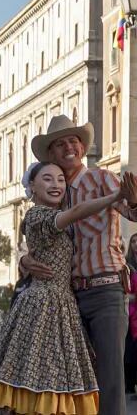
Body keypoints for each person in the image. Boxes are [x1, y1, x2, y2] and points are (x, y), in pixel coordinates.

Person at [0, 161, 131, 413]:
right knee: (43, 374)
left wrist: (25, 258)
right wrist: (115, 196)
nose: (56, 184)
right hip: (44, 303)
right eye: (47, 179)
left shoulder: (52, 213)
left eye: (60, 179)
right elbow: (77, 211)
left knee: (57, 376)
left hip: (62, 301)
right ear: (32, 188)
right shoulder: (39, 214)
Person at [23, 115, 137, 415]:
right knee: (76, 382)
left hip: (106, 290)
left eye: (73, 141)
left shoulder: (102, 179)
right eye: (60, 144)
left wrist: (134, 203)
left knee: (110, 379)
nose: (68, 147)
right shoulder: (55, 193)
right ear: (52, 154)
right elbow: (38, 237)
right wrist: (25, 259)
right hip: (68, 298)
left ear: (83, 148)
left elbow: (131, 214)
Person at [126, 233, 137, 400]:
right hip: (130, 311)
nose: (136, 244)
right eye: (133, 241)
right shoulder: (127, 264)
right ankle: (129, 384)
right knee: (129, 351)